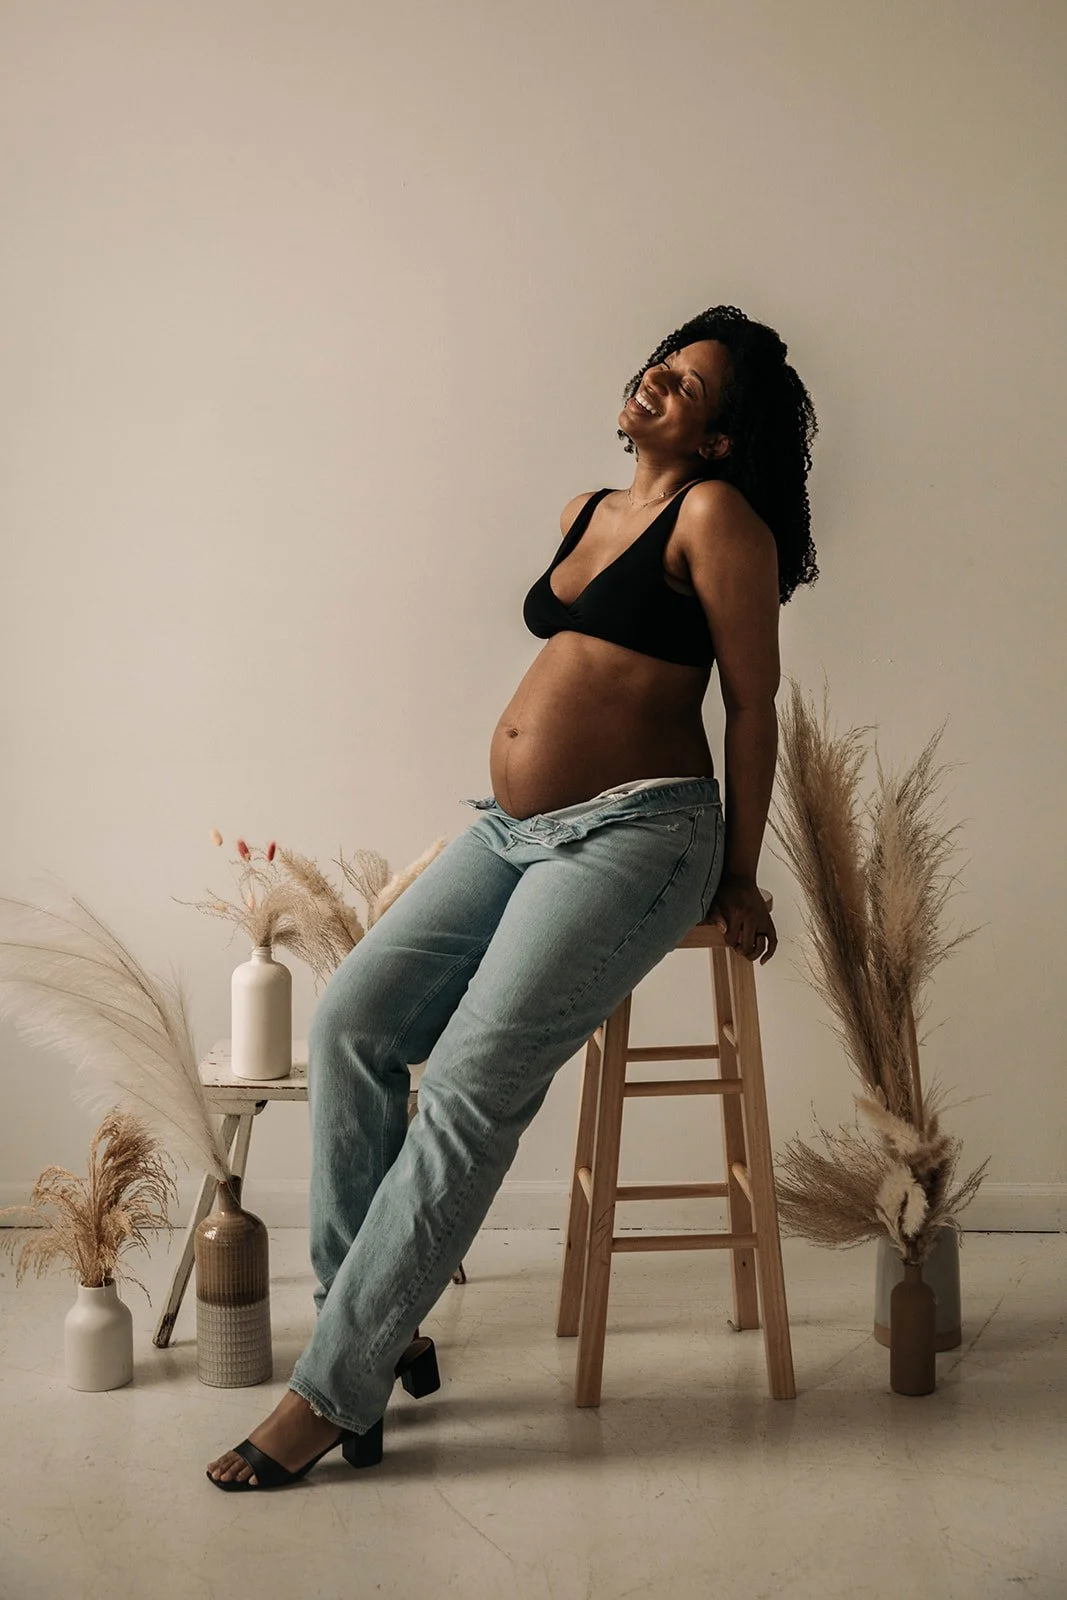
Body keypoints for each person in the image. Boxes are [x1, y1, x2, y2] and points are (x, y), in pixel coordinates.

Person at [207, 303, 819, 1489]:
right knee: (351, 1025)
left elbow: (751, 707)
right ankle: (375, 1332)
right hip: (515, 831)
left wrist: (740, 871)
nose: (656, 381)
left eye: (688, 385)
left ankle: (330, 1389)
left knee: (476, 1087)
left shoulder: (716, 518)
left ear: (722, 437)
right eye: (662, 363)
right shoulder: (586, 514)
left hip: (639, 836)